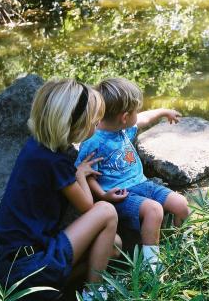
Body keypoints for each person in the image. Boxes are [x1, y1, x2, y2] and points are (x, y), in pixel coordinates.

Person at [0, 79, 119, 301]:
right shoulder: (56, 162)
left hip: (8, 263)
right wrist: (79, 174)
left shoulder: (36, 147)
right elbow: (88, 206)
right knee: (106, 211)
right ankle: (94, 294)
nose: (97, 124)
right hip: (31, 267)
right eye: (94, 120)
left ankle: (50, 292)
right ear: (75, 124)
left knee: (113, 245)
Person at [75, 77, 190, 272]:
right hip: (120, 194)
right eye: (135, 110)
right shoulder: (93, 141)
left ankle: (178, 247)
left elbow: (145, 118)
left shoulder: (123, 127)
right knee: (154, 210)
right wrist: (103, 195)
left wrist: (163, 111)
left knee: (181, 205)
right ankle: (151, 264)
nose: (139, 114)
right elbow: (87, 174)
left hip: (142, 183)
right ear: (125, 117)